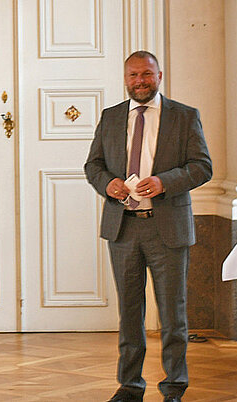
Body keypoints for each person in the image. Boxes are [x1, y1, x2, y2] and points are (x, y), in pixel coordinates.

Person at [84, 51, 212, 402]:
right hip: (122, 228)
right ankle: (129, 386)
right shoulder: (111, 117)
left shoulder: (184, 117)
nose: (139, 81)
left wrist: (164, 182)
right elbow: (93, 165)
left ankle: (173, 387)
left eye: (146, 74)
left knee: (173, 314)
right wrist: (107, 183)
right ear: (125, 78)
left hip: (166, 228)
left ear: (159, 76)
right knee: (129, 314)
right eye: (133, 75)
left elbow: (202, 167)